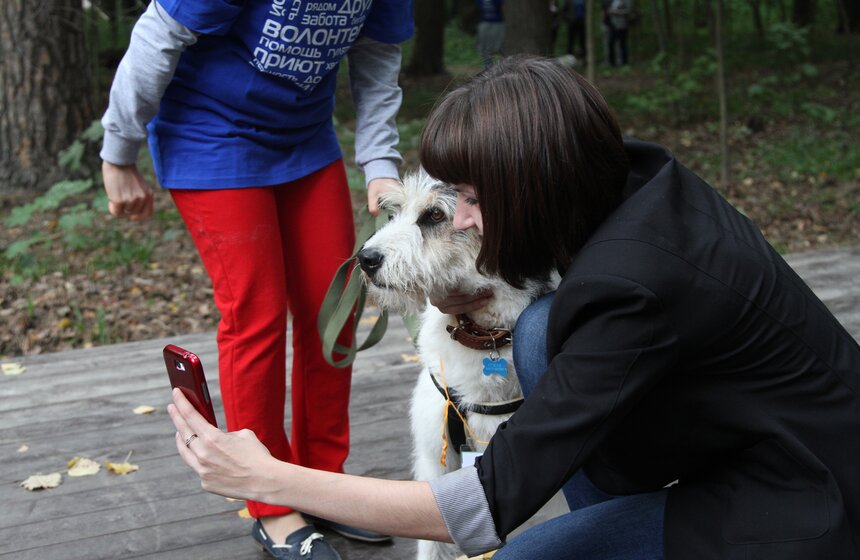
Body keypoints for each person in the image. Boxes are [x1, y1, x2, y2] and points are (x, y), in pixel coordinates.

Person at [167, 56, 860, 560]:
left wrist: (269, 478)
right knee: (535, 335)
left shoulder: (629, 288)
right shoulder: (630, 177)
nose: (461, 218)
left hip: (811, 504)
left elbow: (482, 508)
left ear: (533, 181)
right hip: (767, 439)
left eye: (468, 197)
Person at [100, 1, 413, 558]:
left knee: (333, 312)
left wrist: (380, 163)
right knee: (256, 315)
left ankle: (323, 482)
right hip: (210, 134)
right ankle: (270, 501)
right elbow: (159, 34)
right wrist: (119, 152)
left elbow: (377, 56)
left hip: (305, 140)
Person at [476, 0, 505, 68]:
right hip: (484, 22)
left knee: (495, 47)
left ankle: (500, 66)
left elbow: (499, 3)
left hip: (496, 23)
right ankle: (487, 66)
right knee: (483, 47)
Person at [608, 0, 632, 65]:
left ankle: (624, 62)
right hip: (614, 26)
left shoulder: (627, 1)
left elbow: (628, 11)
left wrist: (617, 12)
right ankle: (612, 63)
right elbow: (610, 10)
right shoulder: (614, 1)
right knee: (611, 43)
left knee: (622, 44)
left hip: (622, 26)